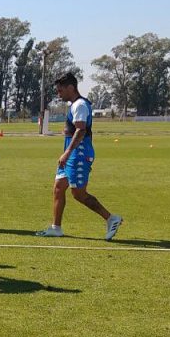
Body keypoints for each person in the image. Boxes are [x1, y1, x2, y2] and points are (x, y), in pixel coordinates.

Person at [36, 72, 122, 240]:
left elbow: (81, 130)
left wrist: (68, 153)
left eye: (60, 91)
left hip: (79, 154)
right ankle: (56, 227)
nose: (59, 94)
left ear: (70, 88)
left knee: (78, 194)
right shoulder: (75, 105)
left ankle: (111, 218)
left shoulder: (80, 105)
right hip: (71, 153)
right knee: (59, 188)